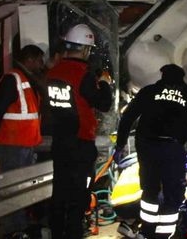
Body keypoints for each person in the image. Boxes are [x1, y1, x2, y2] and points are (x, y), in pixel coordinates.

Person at [115, 64, 187, 239]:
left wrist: (120, 145)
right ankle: (163, 235)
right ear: (182, 79)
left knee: (149, 190)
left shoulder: (149, 91)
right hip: (172, 149)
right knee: (172, 193)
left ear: (162, 76)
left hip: (147, 147)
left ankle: (147, 232)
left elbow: (128, 118)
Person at [46, 24, 112, 239]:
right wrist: (104, 84)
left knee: (60, 192)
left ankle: (57, 232)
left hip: (60, 142)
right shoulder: (82, 74)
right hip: (80, 144)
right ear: (85, 50)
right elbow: (102, 104)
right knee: (79, 194)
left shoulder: (54, 72)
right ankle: (74, 233)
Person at [0, 44, 45, 237]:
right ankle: (14, 231)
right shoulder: (13, 79)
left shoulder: (25, 79)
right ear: (30, 59)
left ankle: (19, 228)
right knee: (13, 190)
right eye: (39, 60)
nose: (41, 64)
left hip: (22, 145)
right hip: (12, 146)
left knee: (19, 189)